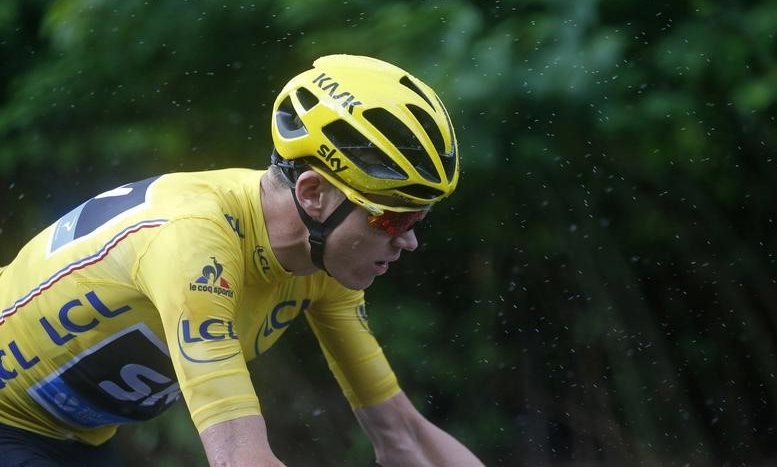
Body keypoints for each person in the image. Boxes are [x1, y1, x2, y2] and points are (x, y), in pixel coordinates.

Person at [0, 54, 484, 466]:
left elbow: (403, 438)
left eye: (419, 220)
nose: (411, 242)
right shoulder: (195, 245)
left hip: (72, 438)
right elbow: (239, 458)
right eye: (392, 221)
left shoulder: (321, 265)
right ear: (314, 193)